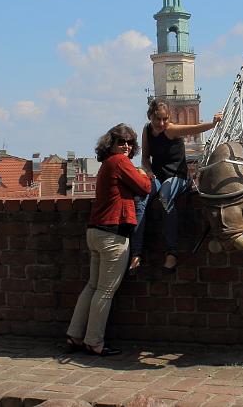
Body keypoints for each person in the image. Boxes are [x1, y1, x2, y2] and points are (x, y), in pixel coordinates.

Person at [66, 124, 150, 356]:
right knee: (105, 291)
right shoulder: (120, 162)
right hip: (113, 234)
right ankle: (94, 341)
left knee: (93, 286)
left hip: (95, 231)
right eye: (121, 142)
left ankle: (74, 335)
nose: (126, 146)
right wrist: (143, 174)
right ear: (111, 144)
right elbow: (145, 188)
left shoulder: (106, 164)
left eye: (130, 143)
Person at [130, 99, 222, 272]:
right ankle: (136, 253)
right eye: (157, 119)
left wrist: (213, 122)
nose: (161, 123)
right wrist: (148, 171)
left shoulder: (171, 129)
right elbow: (145, 158)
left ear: (169, 118)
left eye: (165, 119)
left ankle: (172, 253)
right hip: (158, 176)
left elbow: (195, 128)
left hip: (177, 177)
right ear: (150, 116)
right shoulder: (147, 130)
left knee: (165, 198)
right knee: (141, 198)